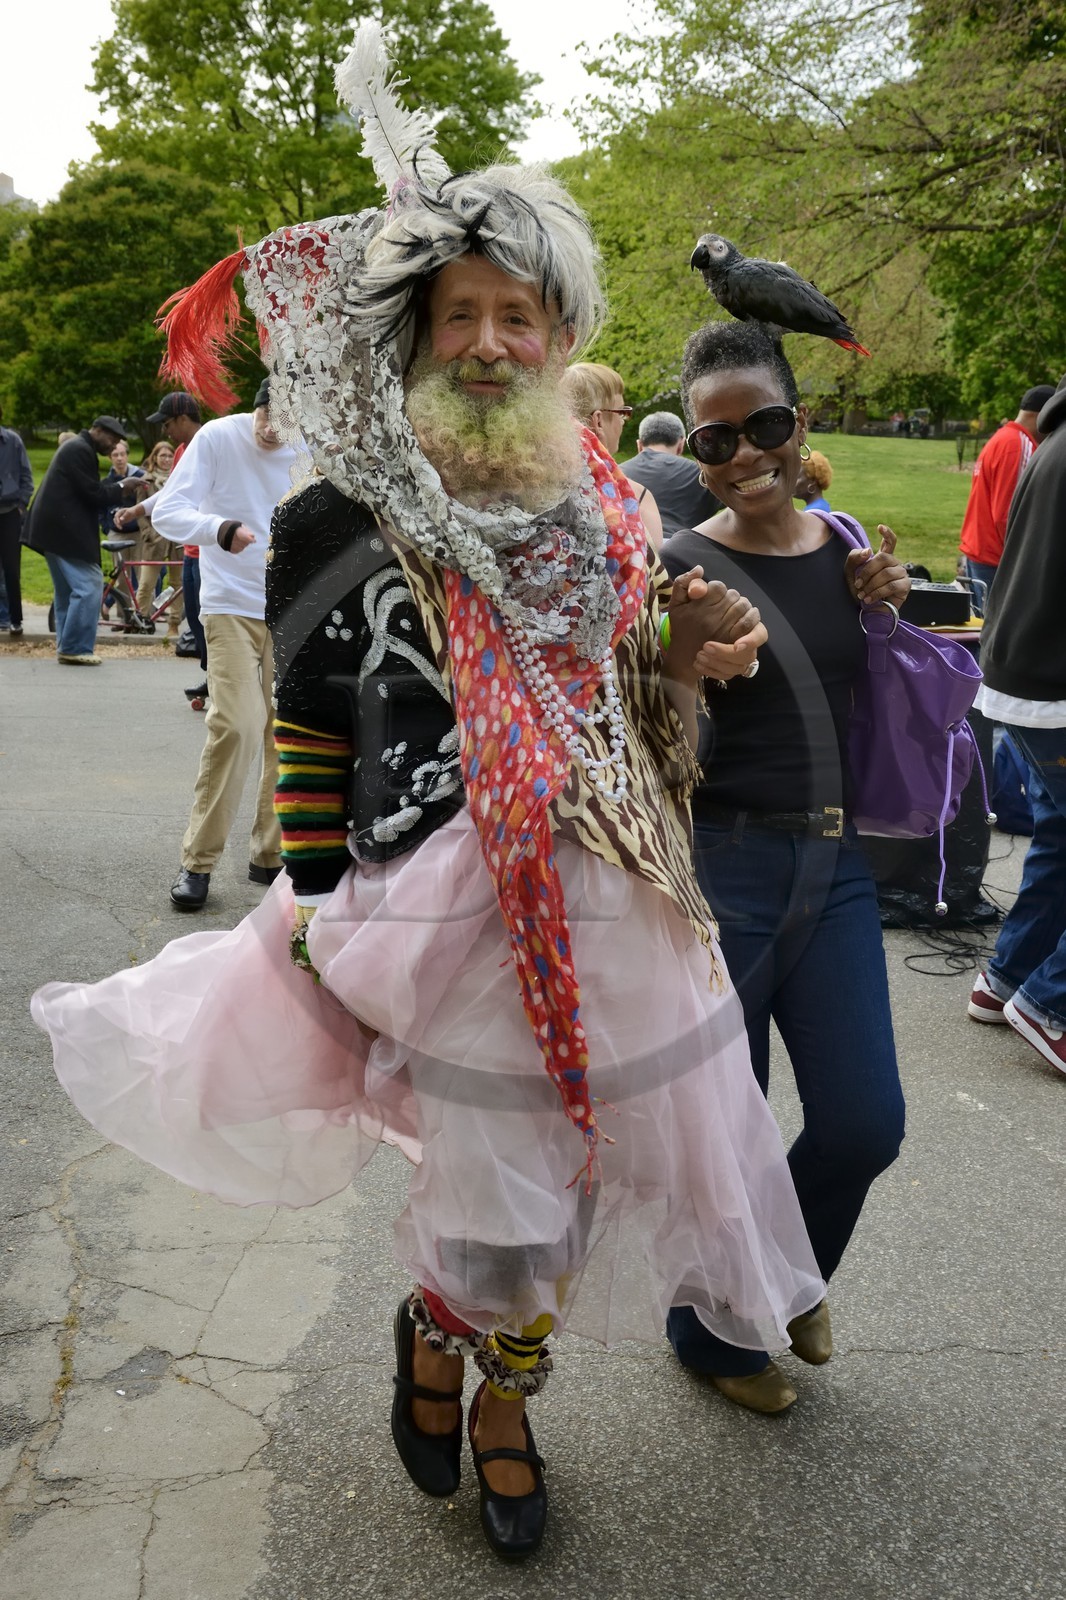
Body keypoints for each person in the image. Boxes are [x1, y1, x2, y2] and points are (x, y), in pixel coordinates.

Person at [31, 23, 825, 1562]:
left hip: (605, 883)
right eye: (457, 313)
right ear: (413, 339)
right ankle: (470, 1373)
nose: (486, 341)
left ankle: (479, 1369)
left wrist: (686, 648)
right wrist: (317, 895)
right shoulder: (339, 517)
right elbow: (312, 720)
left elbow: (632, 679)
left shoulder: (609, 509)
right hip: (424, 892)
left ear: (555, 334)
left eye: (516, 314)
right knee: (500, 1181)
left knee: (575, 1173)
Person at [660, 320, 910, 1413]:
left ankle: (785, 1273)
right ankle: (713, 1336)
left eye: (763, 425)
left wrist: (887, 600)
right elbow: (653, 747)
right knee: (734, 1132)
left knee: (863, 1122)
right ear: (696, 454)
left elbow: (887, 682)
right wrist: (688, 669)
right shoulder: (679, 565)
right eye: (714, 441)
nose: (744, 454)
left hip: (835, 863)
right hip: (722, 868)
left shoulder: (846, 545)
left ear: (799, 424)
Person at [151, 377, 294, 909]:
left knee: (286, 730)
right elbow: (167, 511)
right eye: (267, 416)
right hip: (231, 603)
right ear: (255, 407)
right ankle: (198, 861)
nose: (273, 430)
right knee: (236, 724)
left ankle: (270, 854)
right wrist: (219, 529)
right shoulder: (217, 438)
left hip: (292, 607)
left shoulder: (313, 448)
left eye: (287, 422)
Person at [967, 377, 1066, 1076]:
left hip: (1022, 673)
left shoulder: (1049, 438)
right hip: (1051, 683)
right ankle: (1050, 1004)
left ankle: (1006, 979)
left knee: (1058, 835)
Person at [22, 417, 142, 665]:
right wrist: (123, 486)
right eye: (112, 440)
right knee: (89, 585)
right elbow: (94, 494)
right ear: (97, 430)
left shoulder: (76, 446)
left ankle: (67, 646)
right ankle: (75, 647)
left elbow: (86, 492)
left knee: (67, 592)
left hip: (51, 530)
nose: (113, 446)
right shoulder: (80, 449)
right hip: (63, 532)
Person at [120, 392, 205, 690]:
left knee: (209, 620)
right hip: (191, 548)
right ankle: (211, 675)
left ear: (182, 419)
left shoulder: (210, 442)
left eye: (167, 423)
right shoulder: (182, 451)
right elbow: (172, 493)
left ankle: (221, 681)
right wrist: (137, 510)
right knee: (194, 618)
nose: (165, 431)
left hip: (210, 548)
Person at [959, 384, 1055, 614]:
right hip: (997, 559)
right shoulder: (1019, 445)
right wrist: (1024, 562)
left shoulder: (1001, 438)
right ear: (1042, 415)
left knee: (984, 627)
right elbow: (1009, 513)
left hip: (979, 552)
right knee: (1000, 631)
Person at [560, 362, 664, 546]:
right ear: (598, 421)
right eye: (622, 412)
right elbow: (654, 563)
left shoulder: (539, 488)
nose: (623, 421)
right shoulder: (635, 497)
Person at [619, 410, 721, 534]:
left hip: (634, 543)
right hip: (683, 543)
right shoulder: (701, 474)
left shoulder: (616, 473)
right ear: (681, 444)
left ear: (639, 445)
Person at [130, 441, 184, 630]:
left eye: (170, 456)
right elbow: (140, 511)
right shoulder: (146, 481)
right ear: (154, 458)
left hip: (176, 538)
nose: (166, 459)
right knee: (146, 583)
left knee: (177, 583)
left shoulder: (180, 478)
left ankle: (174, 622)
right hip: (154, 539)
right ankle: (139, 620)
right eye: (162, 456)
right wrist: (148, 533)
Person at [0, 404, 33, 638]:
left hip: (10, 511)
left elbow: (26, 476)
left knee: (12, 569)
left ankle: (15, 619)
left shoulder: (12, 441)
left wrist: (21, 506)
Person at [794, 447, 833, 512]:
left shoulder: (815, 511)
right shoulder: (821, 506)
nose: (792, 481)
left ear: (812, 483)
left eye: (797, 477)